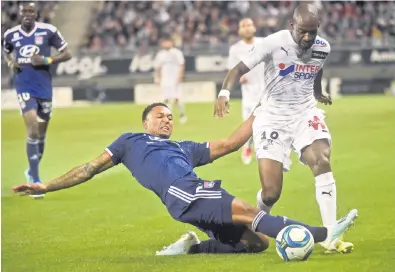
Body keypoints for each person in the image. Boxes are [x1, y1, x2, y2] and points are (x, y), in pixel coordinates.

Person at [13, 103, 358, 255]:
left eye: (169, 117)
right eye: (159, 117)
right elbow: (88, 169)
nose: (166, 121)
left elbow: (229, 144)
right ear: (146, 122)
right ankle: (325, 233)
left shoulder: (183, 148)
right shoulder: (129, 142)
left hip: (187, 199)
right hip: (183, 191)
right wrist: (46, 185)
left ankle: (190, 249)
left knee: (256, 244)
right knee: (248, 210)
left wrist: (259, 112)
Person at [213, 3, 354, 253]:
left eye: (312, 32)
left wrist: (318, 93)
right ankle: (258, 220)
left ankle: (331, 235)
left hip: (304, 113)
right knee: (270, 193)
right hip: (271, 117)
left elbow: (316, 70)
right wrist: (224, 93)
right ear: (292, 26)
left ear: (319, 28)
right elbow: (238, 68)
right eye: (302, 32)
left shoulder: (323, 47)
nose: (308, 37)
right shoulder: (273, 43)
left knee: (321, 160)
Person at [3, 2, 72, 198]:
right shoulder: (11, 34)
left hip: (44, 87)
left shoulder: (49, 31)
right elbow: (6, 50)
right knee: (32, 126)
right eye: (24, 11)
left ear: (36, 14)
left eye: (31, 11)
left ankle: (31, 169)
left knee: (41, 134)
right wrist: (10, 61)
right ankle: (35, 178)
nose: (27, 14)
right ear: (19, 13)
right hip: (24, 85)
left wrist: (47, 60)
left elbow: (67, 53)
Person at [228, 18, 266, 165]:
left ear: (254, 28)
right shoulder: (235, 49)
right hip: (249, 94)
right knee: (249, 126)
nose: (246, 28)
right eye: (243, 26)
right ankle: (247, 147)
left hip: (267, 91)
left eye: (249, 25)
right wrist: (239, 77)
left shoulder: (264, 44)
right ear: (239, 30)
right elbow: (232, 71)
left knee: (271, 123)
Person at [154, 35, 187, 124]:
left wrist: (180, 76)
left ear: (172, 43)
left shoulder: (177, 53)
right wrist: (158, 78)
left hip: (175, 79)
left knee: (177, 99)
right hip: (165, 80)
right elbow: (158, 67)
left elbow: (182, 65)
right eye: (164, 42)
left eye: (168, 42)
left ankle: (182, 114)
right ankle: (168, 117)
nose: (166, 44)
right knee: (167, 99)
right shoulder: (160, 54)